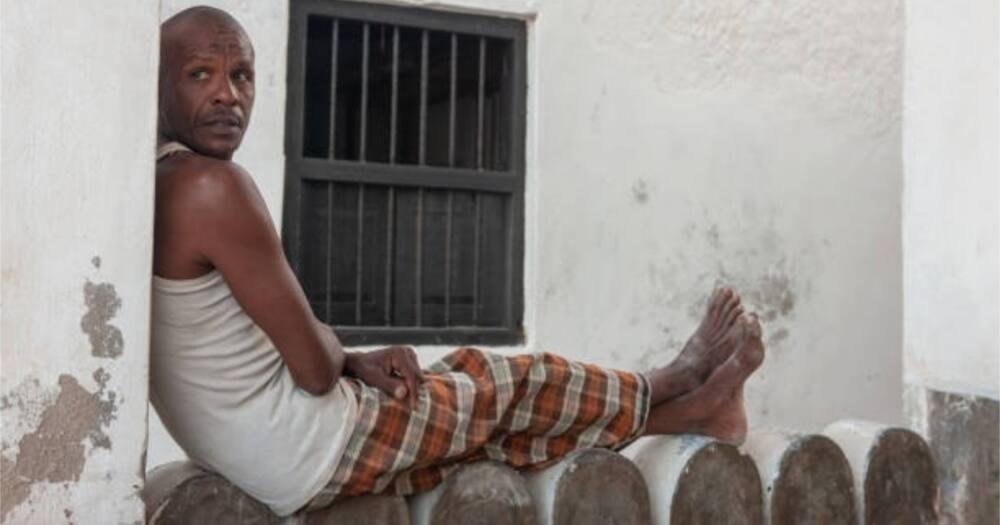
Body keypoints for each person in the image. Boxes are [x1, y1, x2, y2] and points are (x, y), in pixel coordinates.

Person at [150, 6, 766, 517]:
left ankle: (686, 414)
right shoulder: (210, 188)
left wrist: (355, 361)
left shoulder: (160, 176)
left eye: (244, 75)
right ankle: (672, 381)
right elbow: (312, 370)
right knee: (516, 384)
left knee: (467, 375)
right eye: (200, 74)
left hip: (271, 448)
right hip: (309, 445)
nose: (229, 95)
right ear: (156, 86)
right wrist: (346, 357)